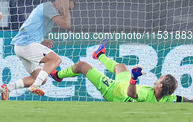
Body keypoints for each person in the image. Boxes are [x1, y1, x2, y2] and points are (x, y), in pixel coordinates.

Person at [50, 39, 193, 102]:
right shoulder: (168, 98)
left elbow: (132, 94)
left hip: (113, 91)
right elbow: (184, 100)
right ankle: (99, 55)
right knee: (121, 66)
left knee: (81, 65)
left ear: (160, 86)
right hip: (122, 85)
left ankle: (58, 75)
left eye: (161, 78)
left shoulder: (145, 94)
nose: (158, 78)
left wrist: (133, 78)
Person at [0, 0, 77, 100]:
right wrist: (66, 11)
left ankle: (7, 88)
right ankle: (35, 86)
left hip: (21, 46)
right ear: (60, 2)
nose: (67, 11)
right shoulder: (48, 7)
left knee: (40, 78)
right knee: (55, 60)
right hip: (26, 45)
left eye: (69, 9)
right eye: (67, 8)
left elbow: (29, 26)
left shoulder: (46, 9)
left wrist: (42, 40)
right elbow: (66, 25)